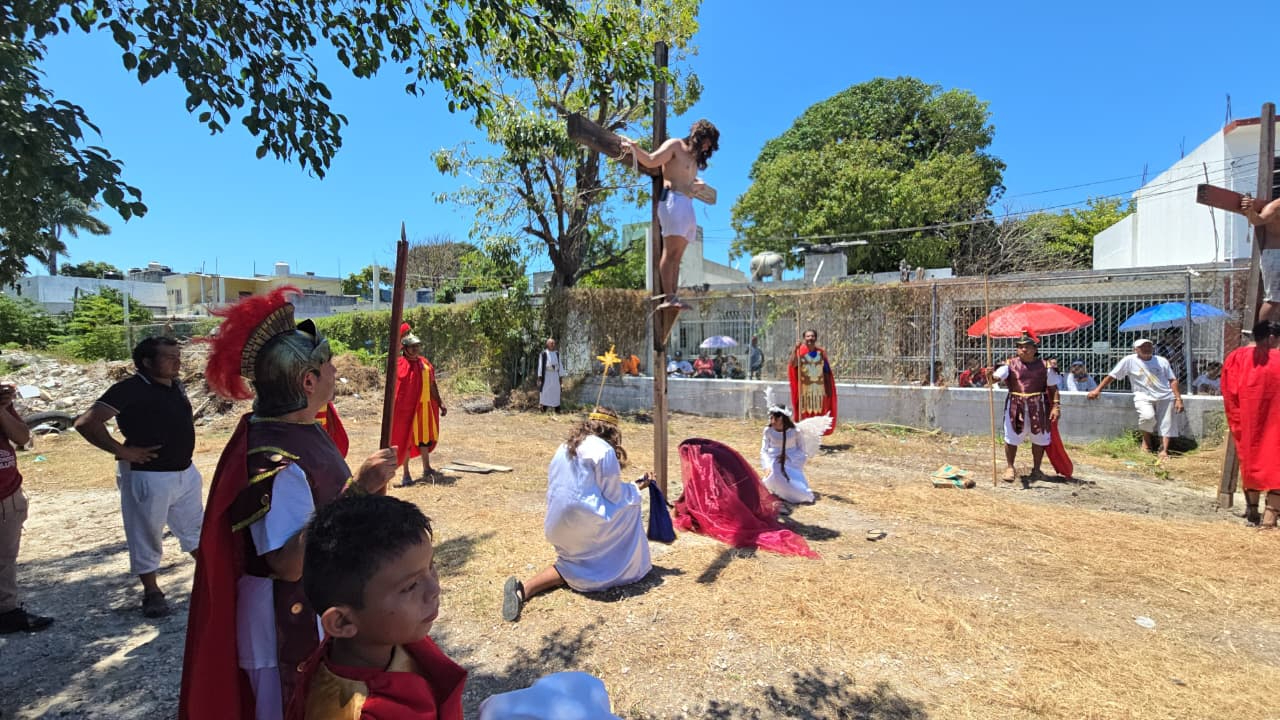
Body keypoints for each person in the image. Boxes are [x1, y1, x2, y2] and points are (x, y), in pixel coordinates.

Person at [179, 287, 397, 720]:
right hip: (283, 620)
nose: (336, 370)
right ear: (308, 381)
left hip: (311, 604)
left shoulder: (300, 429)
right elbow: (288, 562)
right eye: (328, 363)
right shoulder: (274, 458)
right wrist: (359, 489)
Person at [286, 494, 465, 719]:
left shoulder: (388, 638)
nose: (434, 589)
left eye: (432, 566)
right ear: (342, 622)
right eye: (410, 586)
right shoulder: (351, 711)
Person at [75, 336, 203, 618]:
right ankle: (152, 592)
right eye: (169, 356)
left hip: (185, 472)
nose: (177, 361)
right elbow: (86, 422)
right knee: (146, 534)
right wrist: (123, 451)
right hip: (149, 475)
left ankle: (212, 579)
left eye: (177, 355)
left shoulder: (175, 386)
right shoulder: (129, 389)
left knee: (195, 529)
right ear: (146, 362)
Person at [501, 408, 651, 622]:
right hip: (584, 525)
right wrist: (637, 487)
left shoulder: (564, 446)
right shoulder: (604, 450)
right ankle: (615, 569)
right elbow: (614, 495)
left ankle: (523, 590)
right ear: (612, 432)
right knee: (632, 506)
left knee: (571, 563)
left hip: (557, 525)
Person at [620, 119, 720, 309]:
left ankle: (673, 296)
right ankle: (668, 296)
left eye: (710, 144)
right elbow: (651, 160)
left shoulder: (694, 160)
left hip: (687, 206)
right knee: (670, 252)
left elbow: (687, 185)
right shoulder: (675, 145)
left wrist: (696, 187)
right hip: (672, 201)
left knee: (678, 257)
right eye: (706, 141)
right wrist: (634, 148)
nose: (707, 146)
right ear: (697, 136)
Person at [0, 382, 52, 634]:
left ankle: (7, 612)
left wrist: (1, 409)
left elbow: (22, 437)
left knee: (4, 558)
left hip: (6, 492)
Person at [1220, 321, 1280, 527]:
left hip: (1248, 422)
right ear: (1272, 338)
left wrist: (1238, 420)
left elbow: (1229, 393)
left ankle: (1252, 511)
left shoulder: (1235, 358)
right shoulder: (1277, 358)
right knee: (1276, 465)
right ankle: (1270, 518)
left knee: (1251, 460)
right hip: (1276, 424)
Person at [1087, 338, 1184, 464]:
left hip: (1164, 395)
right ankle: (1147, 441)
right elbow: (1113, 375)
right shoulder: (1129, 360)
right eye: (1143, 347)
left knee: (1166, 423)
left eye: (1149, 346)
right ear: (1136, 349)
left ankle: (1163, 450)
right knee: (1147, 417)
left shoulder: (1161, 361)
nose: (1146, 349)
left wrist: (1178, 398)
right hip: (1142, 395)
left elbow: (1172, 379)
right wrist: (1097, 390)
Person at [990, 332, 1063, 484]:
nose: (1024, 350)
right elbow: (994, 379)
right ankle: (1010, 467)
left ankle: (1036, 469)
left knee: (1040, 437)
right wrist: (989, 375)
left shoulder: (1045, 366)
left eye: (1027, 347)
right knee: (1012, 436)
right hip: (1016, 405)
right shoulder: (1009, 364)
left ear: (1035, 349)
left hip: (1039, 405)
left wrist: (1056, 406)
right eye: (1021, 347)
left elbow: (1053, 388)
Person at [391, 323, 446, 487]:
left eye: (417, 346)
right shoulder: (400, 365)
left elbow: (432, 384)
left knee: (425, 439)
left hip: (425, 408)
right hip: (408, 410)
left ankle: (426, 468)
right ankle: (406, 474)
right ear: (405, 348)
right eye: (412, 347)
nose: (415, 349)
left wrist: (440, 402)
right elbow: (398, 391)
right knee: (407, 439)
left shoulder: (425, 364)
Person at [759, 406, 813, 504]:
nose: (771, 421)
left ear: (780, 419)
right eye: (770, 418)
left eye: (773, 418)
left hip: (791, 460)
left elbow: (802, 451)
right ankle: (778, 489)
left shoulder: (795, 431)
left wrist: (788, 457)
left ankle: (791, 493)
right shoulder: (768, 431)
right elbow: (764, 450)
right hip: (773, 459)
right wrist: (767, 466)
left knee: (786, 476)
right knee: (775, 467)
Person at [788, 329, 837, 436]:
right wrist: (795, 349)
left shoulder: (821, 352)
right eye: (808, 336)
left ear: (815, 338)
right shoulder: (800, 351)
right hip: (805, 390)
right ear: (804, 338)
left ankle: (815, 439)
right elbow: (793, 364)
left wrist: (828, 388)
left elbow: (827, 372)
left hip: (818, 390)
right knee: (805, 414)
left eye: (812, 336)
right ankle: (803, 439)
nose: (810, 338)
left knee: (818, 415)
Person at [1239, 194, 1280, 323]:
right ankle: (1262, 337)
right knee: (1274, 300)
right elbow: (1258, 220)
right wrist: (1249, 211)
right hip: (1275, 256)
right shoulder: (1276, 205)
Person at [537, 338, 563, 413]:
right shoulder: (543, 353)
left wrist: (561, 380)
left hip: (555, 376)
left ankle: (557, 409)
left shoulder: (557, 354)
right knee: (545, 391)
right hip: (546, 375)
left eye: (553, 343)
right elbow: (540, 365)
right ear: (547, 344)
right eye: (551, 343)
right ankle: (543, 408)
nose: (552, 344)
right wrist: (539, 377)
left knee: (556, 391)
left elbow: (560, 366)